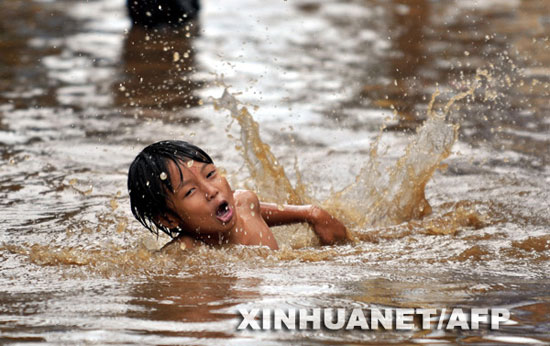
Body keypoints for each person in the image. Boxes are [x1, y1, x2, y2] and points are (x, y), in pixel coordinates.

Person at [128, 140, 349, 250]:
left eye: (211, 174)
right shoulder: (187, 255)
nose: (211, 191)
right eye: (191, 191)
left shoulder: (244, 202)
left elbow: (255, 209)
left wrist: (311, 214)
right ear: (168, 218)